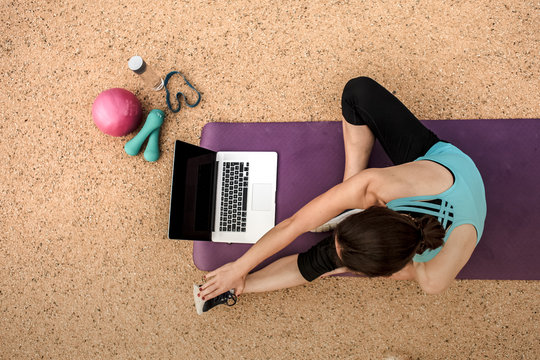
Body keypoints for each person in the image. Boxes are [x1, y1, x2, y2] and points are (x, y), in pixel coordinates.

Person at [197, 76, 487, 310]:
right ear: (373, 208)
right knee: (357, 92)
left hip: (428, 216)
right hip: (443, 162)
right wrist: (239, 266)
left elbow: (403, 270)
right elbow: (296, 223)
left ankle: (244, 287)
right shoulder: (376, 185)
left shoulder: (433, 279)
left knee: (323, 262)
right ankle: (352, 176)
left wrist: (244, 282)